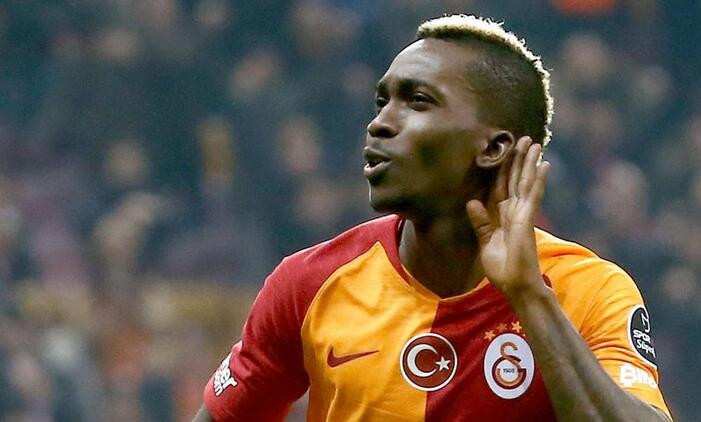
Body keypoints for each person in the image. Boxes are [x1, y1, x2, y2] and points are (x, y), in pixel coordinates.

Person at [193, 14, 672, 421]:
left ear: (493, 147)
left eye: (418, 101)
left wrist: (529, 296)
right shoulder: (309, 283)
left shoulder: (589, 291)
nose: (379, 123)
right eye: (382, 101)